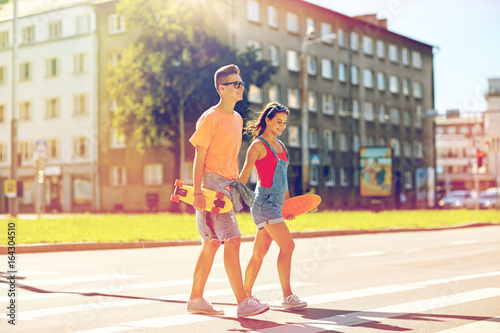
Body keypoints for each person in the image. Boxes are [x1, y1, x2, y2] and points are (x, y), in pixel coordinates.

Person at [187, 64, 269, 318]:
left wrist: (237, 184)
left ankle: (195, 299)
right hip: (212, 184)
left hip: (228, 184)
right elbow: (199, 157)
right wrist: (199, 192)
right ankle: (243, 302)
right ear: (222, 88)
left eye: (242, 83)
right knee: (232, 240)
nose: (241, 87)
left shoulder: (236, 118)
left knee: (211, 243)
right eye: (236, 84)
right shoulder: (210, 117)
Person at [239, 102, 308, 309]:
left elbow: (283, 178)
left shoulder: (281, 147)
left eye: (284, 123)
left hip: (277, 204)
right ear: (267, 119)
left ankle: (245, 295)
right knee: (288, 245)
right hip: (264, 204)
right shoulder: (257, 146)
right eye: (278, 121)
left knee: (259, 252)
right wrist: (229, 198)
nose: (282, 126)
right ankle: (287, 296)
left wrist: (288, 206)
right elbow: (243, 177)